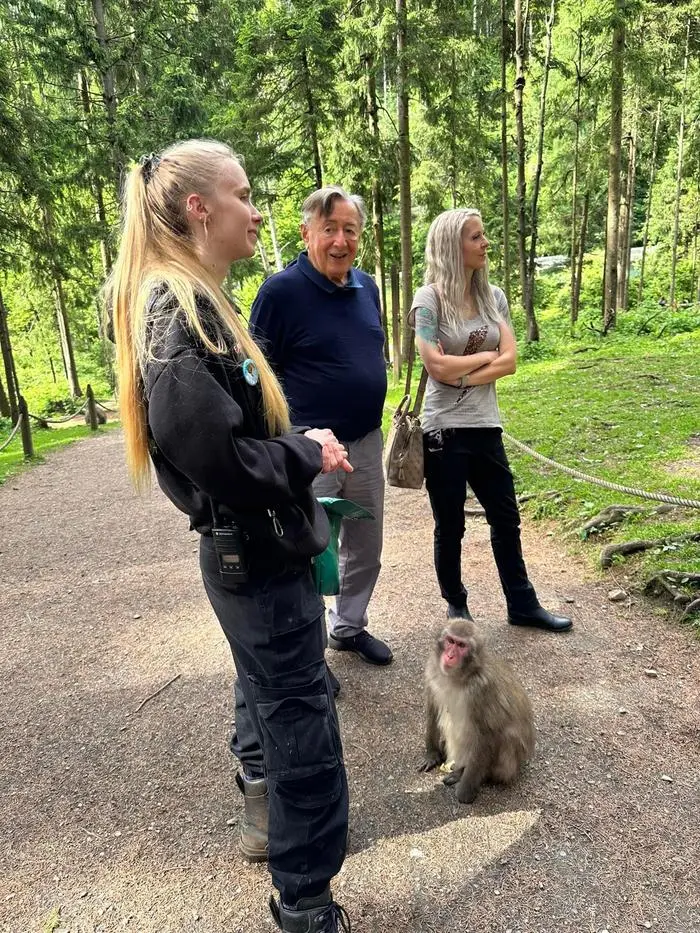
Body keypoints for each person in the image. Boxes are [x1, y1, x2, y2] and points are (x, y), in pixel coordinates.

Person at [109, 139, 352, 933]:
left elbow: (230, 436)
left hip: (256, 548)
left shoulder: (194, 298)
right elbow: (216, 456)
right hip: (255, 551)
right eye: (245, 195)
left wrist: (292, 442)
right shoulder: (176, 310)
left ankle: (259, 796)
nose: (258, 210)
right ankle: (305, 900)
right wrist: (305, 451)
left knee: (272, 693)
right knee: (302, 722)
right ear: (198, 209)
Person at [250, 185, 392, 675]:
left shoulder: (367, 286)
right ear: (306, 232)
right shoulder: (280, 292)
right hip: (310, 450)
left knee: (366, 545)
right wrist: (297, 438)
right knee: (310, 550)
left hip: (366, 442)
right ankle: (309, 654)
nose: (340, 240)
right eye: (329, 229)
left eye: (349, 230)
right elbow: (258, 380)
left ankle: (348, 627)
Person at [410, 208, 572, 634]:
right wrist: (484, 357)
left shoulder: (493, 297)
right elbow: (434, 365)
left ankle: (522, 604)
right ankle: (456, 606)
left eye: (484, 235)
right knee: (451, 524)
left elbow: (512, 360)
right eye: (476, 237)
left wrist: (462, 366)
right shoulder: (427, 300)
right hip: (442, 428)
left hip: (486, 424)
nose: (486, 243)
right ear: (451, 246)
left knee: (506, 517)